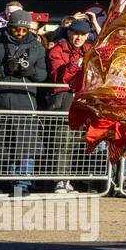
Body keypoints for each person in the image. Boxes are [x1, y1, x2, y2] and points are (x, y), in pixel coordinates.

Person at [0, 10, 48, 196]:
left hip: (26, 100)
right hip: (1, 99)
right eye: (16, 30)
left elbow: (43, 74)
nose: (19, 33)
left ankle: (22, 183)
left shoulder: (37, 46)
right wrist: (3, 69)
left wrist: (29, 72)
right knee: (3, 142)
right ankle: (4, 180)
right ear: (9, 27)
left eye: (23, 30)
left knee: (25, 144)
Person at [45, 19, 93, 193]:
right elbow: (61, 78)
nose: (78, 38)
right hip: (63, 99)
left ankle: (74, 180)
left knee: (79, 142)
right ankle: (60, 179)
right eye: (76, 34)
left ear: (87, 35)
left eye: (82, 34)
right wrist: (76, 64)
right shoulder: (57, 49)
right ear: (69, 33)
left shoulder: (89, 49)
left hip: (84, 100)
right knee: (62, 140)